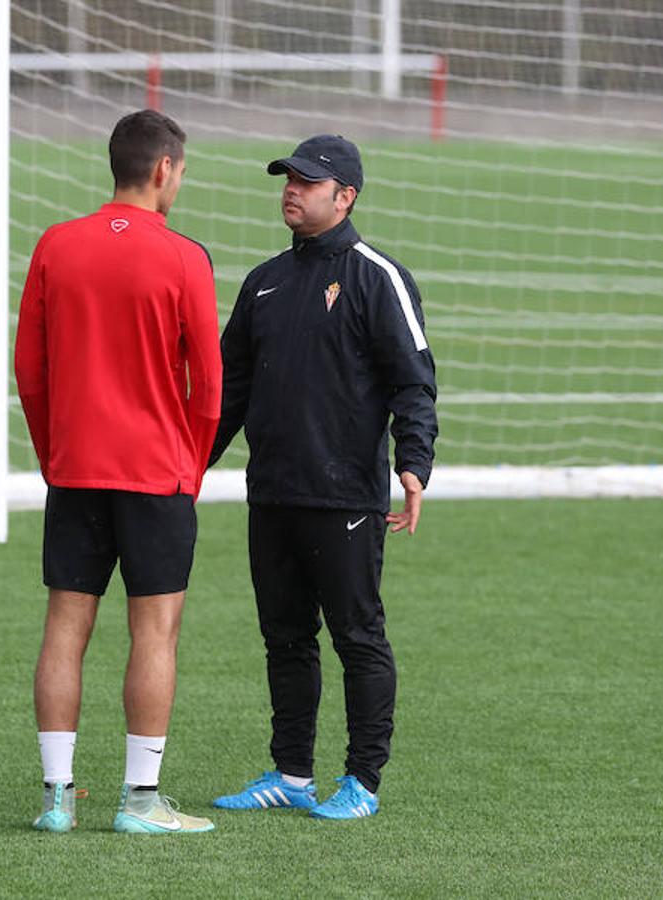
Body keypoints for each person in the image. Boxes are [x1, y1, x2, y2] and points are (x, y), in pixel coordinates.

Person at [208, 134, 438, 820]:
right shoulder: (264, 282)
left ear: (346, 197)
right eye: (288, 178)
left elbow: (414, 384)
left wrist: (414, 465)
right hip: (272, 494)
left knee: (358, 638)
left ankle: (363, 782)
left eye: (307, 182)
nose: (291, 189)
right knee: (284, 638)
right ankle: (291, 773)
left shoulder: (377, 276)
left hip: (345, 497)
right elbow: (229, 392)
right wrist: (186, 466)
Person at [14, 109, 221, 835]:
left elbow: (28, 372)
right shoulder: (186, 257)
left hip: (76, 470)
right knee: (154, 633)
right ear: (164, 169)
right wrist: (189, 466)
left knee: (65, 629)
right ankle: (139, 802)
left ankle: (57, 800)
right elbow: (210, 383)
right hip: (157, 473)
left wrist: (54, 453)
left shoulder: (55, 245)